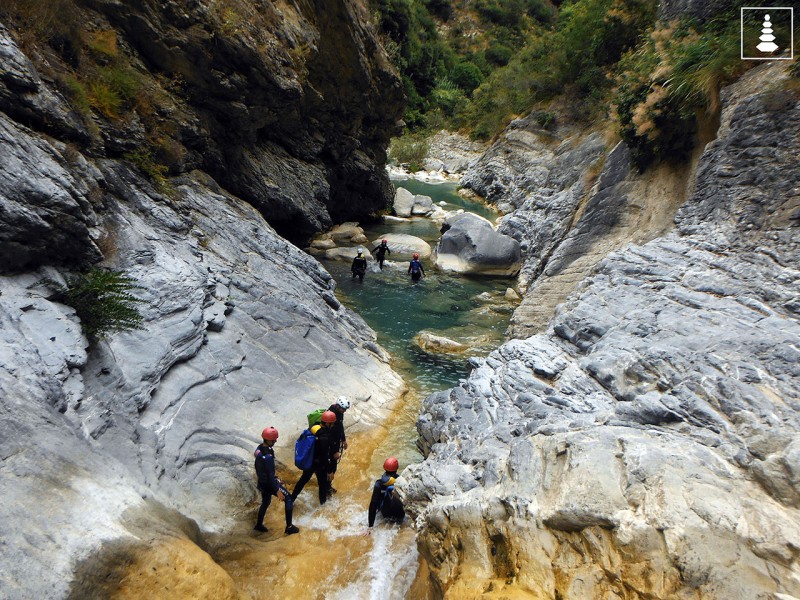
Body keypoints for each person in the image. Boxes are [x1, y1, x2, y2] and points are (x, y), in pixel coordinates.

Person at [253, 426, 299, 535]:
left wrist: (276, 479)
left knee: (266, 502)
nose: (275, 441)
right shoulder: (268, 456)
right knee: (288, 498)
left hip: (262, 482)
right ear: (268, 439)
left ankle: (259, 525)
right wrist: (277, 489)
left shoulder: (259, 449)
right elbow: (270, 475)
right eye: (273, 439)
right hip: (269, 483)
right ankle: (289, 527)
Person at [291, 410, 338, 505]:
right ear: (328, 423)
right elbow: (325, 456)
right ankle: (323, 505)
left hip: (310, 461)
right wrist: (329, 471)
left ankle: (291, 499)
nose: (333, 426)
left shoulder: (314, 428)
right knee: (322, 485)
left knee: (303, 480)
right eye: (332, 424)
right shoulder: (324, 437)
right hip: (319, 464)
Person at [366, 456, 405, 533]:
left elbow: (373, 504)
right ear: (396, 469)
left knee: (377, 500)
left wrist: (370, 526)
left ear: (385, 469)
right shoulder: (401, 481)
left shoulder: (379, 484)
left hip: (385, 514)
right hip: (400, 515)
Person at [326, 396, 350, 494]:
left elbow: (340, 426)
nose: (344, 411)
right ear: (338, 406)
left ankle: (328, 486)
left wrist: (343, 440)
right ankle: (325, 488)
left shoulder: (339, 413)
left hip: (336, 442)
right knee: (330, 467)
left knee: (333, 467)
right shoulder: (331, 415)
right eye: (343, 409)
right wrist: (334, 451)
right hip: (330, 445)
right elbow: (328, 436)